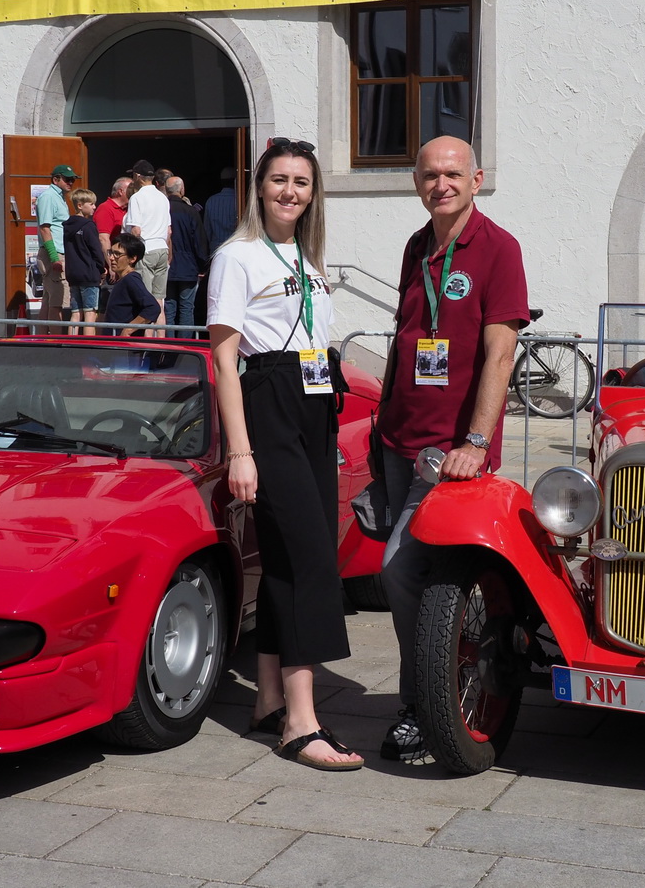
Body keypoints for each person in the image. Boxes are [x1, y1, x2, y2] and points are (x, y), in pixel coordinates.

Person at [208, 136, 362, 772]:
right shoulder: (236, 256)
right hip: (268, 402)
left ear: (312, 192)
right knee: (306, 561)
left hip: (313, 403)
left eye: (301, 182)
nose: (289, 191)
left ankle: (269, 699)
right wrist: (240, 451)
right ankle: (301, 722)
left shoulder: (305, 254)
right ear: (258, 187)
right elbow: (224, 360)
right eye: (278, 180)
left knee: (288, 559)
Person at [375, 136, 529, 762]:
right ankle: (437, 691)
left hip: (450, 452)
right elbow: (407, 335)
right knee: (418, 580)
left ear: (476, 179)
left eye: (453, 174)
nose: (441, 184)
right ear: (417, 182)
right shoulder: (417, 245)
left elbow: (500, 353)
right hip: (398, 440)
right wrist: (381, 424)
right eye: (430, 175)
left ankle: (422, 705)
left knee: (399, 569)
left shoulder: (498, 248)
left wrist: (476, 441)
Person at [125, 159, 173, 321]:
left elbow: (136, 230)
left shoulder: (137, 198)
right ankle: (160, 334)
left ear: (138, 176)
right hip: (162, 249)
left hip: (146, 249)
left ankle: (147, 335)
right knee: (159, 299)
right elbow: (169, 230)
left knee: (145, 300)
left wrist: (131, 254)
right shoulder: (163, 198)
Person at [36, 164, 79, 323]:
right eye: (67, 179)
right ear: (56, 179)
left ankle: (43, 335)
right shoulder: (48, 197)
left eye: (72, 180)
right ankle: (55, 336)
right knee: (57, 303)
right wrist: (54, 257)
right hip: (54, 253)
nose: (71, 183)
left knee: (49, 300)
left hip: (59, 252)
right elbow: (45, 228)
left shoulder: (59, 197)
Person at [165, 176, 209, 329]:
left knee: (168, 309)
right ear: (182, 190)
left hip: (166, 266)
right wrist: (203, 266)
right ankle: (185, 343)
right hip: (188, 267)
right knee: (187, 308)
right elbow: (199, 241)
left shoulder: (162, 210)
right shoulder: (190, 211)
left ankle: (168, 342)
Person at [62, 189, 106, 333]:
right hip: (88, 274)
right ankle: (89, 344)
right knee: (90, 314)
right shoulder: (88, 226)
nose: (94, 207)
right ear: (80, 205)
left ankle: (71, 343)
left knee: (75, 313)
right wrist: (101, 269)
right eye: (91, 204)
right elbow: (96, 251)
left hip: (73, 275)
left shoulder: (67, 226)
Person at [100, 233, 159, 336]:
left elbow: (152, 307)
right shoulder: (123, 280)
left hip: (125, 345)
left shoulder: (131, 279)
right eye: (111, 253)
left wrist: (128, 329)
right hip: (112, 343)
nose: (111, 258)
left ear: (132, 259)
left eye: (117, 254)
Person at [94, 177, 132, 261]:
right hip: (113, 261)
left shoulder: (129, 209)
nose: (134, 192)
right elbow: (103, 239)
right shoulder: (106, 208)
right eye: (131, 190)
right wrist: (111, 262)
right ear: (120, 191)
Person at [205, 167, 239, 246]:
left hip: (216, 247)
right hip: (235, 246)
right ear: (235, 181)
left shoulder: (211, 201)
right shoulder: (240, 201)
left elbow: (207, 229)